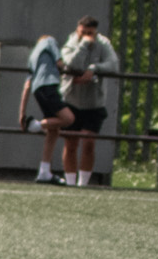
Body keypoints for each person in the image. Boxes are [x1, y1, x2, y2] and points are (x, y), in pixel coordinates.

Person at [57, 15, 117, 186]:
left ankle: (83, 183)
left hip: (93, 103)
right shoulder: (72, 42)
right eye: (83, 32)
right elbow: (71, 63)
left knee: (89, 142)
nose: (87, 36)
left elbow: (113, 64)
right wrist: (84, 45)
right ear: (78, 29)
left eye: (90, 33)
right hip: (71, 100)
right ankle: (70, 183)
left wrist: (94, 69)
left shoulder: (103, 43)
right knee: (71, 143)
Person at [20, 29, 71, 182]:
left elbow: (27, 85)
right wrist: (77, 73)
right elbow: (60, 63)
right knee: (68, 119)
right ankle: (36, 125)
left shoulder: (32, 56)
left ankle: (44, 171)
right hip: (49, 86)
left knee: (54, 130)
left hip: (38, 89)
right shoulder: (49, 41)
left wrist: (22, 113)